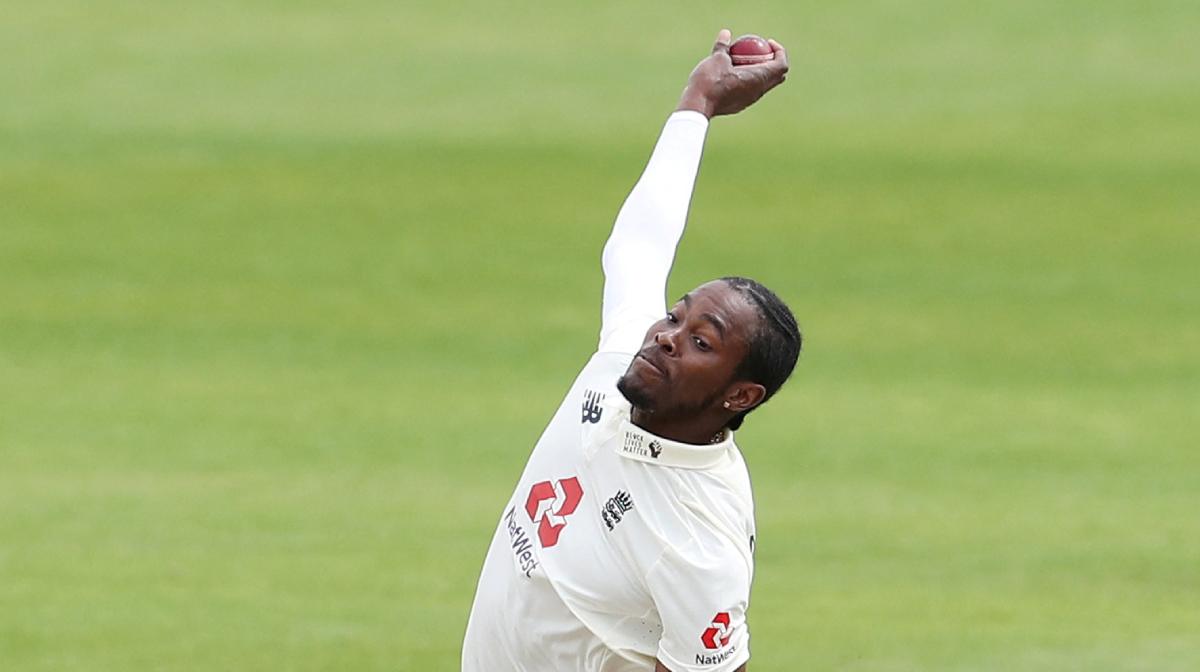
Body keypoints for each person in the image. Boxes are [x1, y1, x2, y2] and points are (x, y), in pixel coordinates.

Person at [462, 29, 798, 672]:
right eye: (676, 316)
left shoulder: (699, 540)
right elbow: (640, 246)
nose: (666, 335)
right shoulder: (624, 360)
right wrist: (697, 104)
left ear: (740, 394)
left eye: (700, 341)